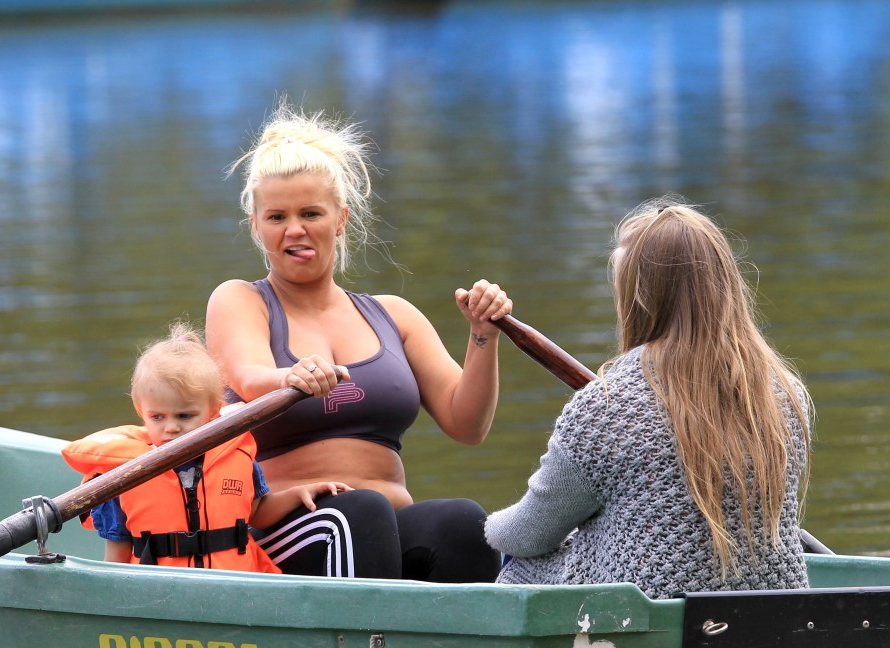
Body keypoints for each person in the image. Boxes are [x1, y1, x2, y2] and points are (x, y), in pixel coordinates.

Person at [205, 101, 512, 582]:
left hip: (382, 520)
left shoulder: (395, 315)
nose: (294, 230)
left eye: (310, 213)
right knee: (360, 514)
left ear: (341, 218)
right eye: (276, 217)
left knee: (465, 523)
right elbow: (247, 378)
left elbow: (467, 424)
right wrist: (290, 378)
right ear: (256, 226)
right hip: (288, 525)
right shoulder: (241, 300)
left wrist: (483, 335)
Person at [485, 197, 813, 599]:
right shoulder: (786, 394)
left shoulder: (604, 406)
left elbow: (528, 534)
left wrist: (486, 526)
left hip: (644, 624)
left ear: (638, 298)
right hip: (770, 621)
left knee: (515, 561)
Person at [61, 321, 352, 572]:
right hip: (159, 599)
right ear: (141, 410)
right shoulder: (122, 475)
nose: (171, 427)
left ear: (214, 411)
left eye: (185, 415)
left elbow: (257, 512)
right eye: (157, 417)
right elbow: (117, 556)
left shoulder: (235, 455)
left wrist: (298, 494)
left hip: (236, 589)